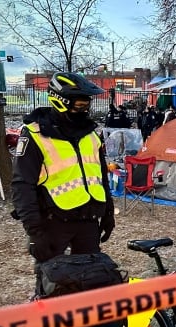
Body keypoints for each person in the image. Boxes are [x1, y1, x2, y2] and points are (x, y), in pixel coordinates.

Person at [11, 72, 115, 291]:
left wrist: (107, 213)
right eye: (79, 105)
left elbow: (101, 176)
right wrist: (34, 233)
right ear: (61, 101)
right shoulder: (34, 135)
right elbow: (22, 186)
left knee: (91, 284)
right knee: (52, 287)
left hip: (88, 223)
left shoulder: (91, 134)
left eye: (87, 104)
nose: (85, 109)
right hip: (53, 225)